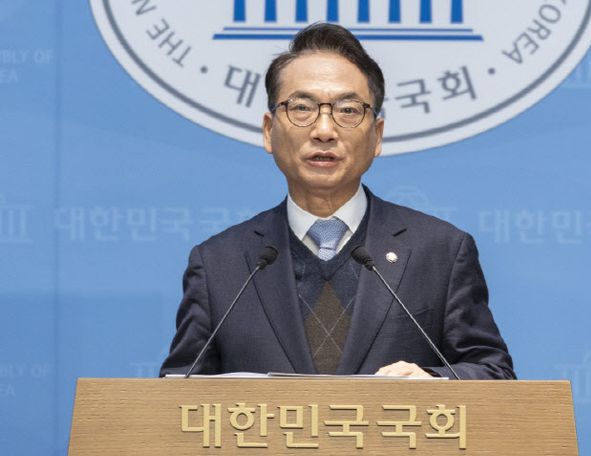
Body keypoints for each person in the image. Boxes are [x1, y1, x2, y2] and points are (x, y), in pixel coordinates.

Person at [160, 23, 515, 379]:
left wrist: (434, 382)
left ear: (377, 136)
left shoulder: (439, 251)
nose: (324, 131)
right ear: (269, 131)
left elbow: (493, 373)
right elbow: (176, 393)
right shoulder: (219, 264)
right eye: (302, 107)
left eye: (348, 110)